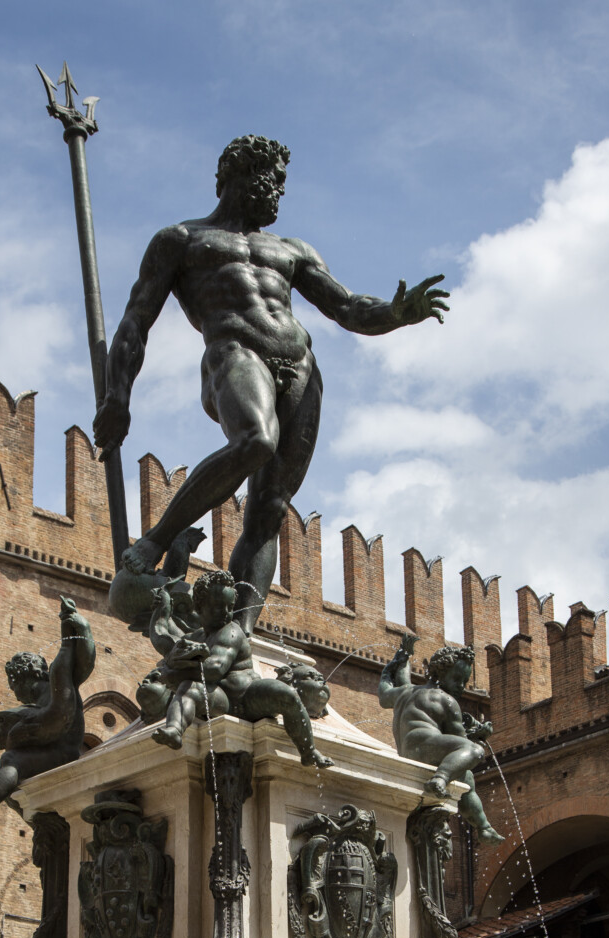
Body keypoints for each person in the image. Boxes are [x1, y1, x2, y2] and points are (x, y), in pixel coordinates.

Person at [95, 134, 449, 634]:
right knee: (256, 441)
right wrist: (118, 396)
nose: (278, 192)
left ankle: (237, 634)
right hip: (234, 353)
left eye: (283, 183)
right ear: (235, 178)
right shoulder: (182, 240)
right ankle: (155, 540)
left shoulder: (291, 250)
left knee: (270, 508)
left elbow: (347, 307)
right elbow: (135, 322)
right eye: (270, 180)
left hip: (301, 365)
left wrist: (396, 313)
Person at [145, 569, 333, 768]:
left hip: (249, 696)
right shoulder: (197, 637)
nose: (226, 612)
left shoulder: (231, 631)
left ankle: (308, 750)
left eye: (229, 606)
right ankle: (174, 730)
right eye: (218, 606)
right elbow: (165, 640)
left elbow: (215, 668)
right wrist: (161, 611)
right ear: (200, 606)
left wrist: (174, 672)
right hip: (223, 701)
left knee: (285, 694)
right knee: (189, 689)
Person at [0, 597, 95, 820]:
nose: (15, 693)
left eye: (13, 687)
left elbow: (75, 655)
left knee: (11, 760)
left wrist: (79, 626)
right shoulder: (49, 689)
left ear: (22, 679)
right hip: (56, 750)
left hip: (64, 753)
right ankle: (31, 817)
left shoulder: (57, 679)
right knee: (13, 780)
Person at [380, 633, 504, 845]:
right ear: (439, 674)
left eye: (464, 681)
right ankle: (441, 779)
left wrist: (397, 661)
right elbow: (461, 742)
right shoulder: (447, 701)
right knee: (475, 751)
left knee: (467, 779)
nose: (461, 686)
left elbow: (384, 693)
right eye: (457, 679)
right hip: (426, 749)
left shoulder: (405, 692)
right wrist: (478, 734)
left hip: (408, 750)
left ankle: (483, 827)